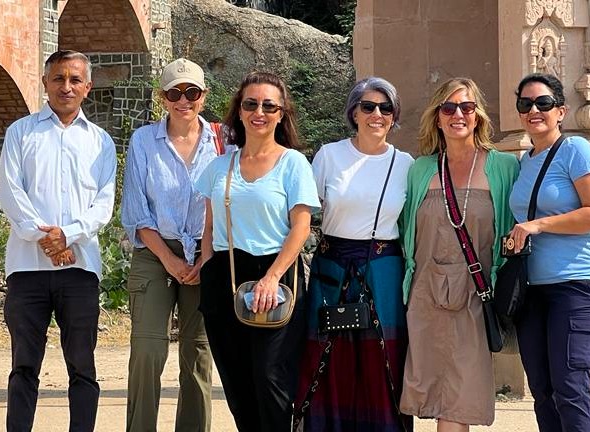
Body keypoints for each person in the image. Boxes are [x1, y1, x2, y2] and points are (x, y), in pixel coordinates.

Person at [0, 50, 117, 432]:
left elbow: (104, 204)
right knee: (23, 366)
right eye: (58, 78)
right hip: (27, 268)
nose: (66, 86)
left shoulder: (101, 142)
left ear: (87, 87)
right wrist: (47, 238)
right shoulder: (21, 132)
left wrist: (68, 235)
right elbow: (10, 193)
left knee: (82, 366)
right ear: (46, 82)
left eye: (75, 80)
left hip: (79, 269)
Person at [196, 71, 320, 432]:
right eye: (251, 104)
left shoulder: (293, 163)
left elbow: (301, 227)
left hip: (277, 275)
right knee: (237, 384)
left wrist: (272, 277)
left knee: (272, 379)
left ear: (282, 113)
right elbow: (208, 227)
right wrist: (207, 266)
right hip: (225, 273)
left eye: (269, 105)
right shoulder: (220, 166)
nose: (259, 112)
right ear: (239, 110)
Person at [294, 77, 414, 431]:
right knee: (327, 361)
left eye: (385, 107)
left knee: (383, 363)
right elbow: (303, 213)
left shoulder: (406, 164)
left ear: (394, 116)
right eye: (368, 106)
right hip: (333, 267)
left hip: (384, 269)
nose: (377, 114)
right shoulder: (330, 156)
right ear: (354, 113)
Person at [399, 77, 519, 430]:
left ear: (478, 116)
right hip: (425, 296)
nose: (458, 115)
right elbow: (404, 228)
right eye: (448, 108)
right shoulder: (420, 169)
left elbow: (528, 214)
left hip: (476, 298)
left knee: (460, 398)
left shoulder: (504, 168)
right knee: (434, 393)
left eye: (466, 107)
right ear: (437, 117)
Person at [120, 58, 224, 432]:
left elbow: (224, 204)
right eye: (175, 93)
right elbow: (135, 211)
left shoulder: (223, 140)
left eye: (192, 92)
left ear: (204, 95)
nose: (184, 100)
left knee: (198, 355)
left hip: (206, 250)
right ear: (162, 98)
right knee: (148, 352)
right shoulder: (144, 141)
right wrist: (168, 259)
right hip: (154, 251)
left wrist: (205, 257)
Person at [507, 73, 590, 432]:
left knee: (571, 387)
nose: (533, 110)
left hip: (578, 284)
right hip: (533, 289)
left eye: (543, 103)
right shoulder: (523, 161)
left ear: (561, 111)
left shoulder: (575, 149)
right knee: (543, 389)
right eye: (525, 104)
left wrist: (538, 225)